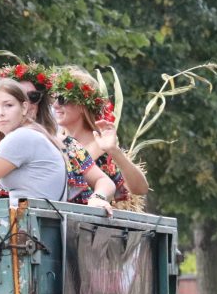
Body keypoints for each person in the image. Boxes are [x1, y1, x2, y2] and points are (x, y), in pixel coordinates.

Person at [51, 67, 149, 205]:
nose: (55, 105)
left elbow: (140, 189)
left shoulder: (103, 147)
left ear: (82, 105)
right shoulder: (51, 141)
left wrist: (114, 151)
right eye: (54, 98)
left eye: (62, 99)